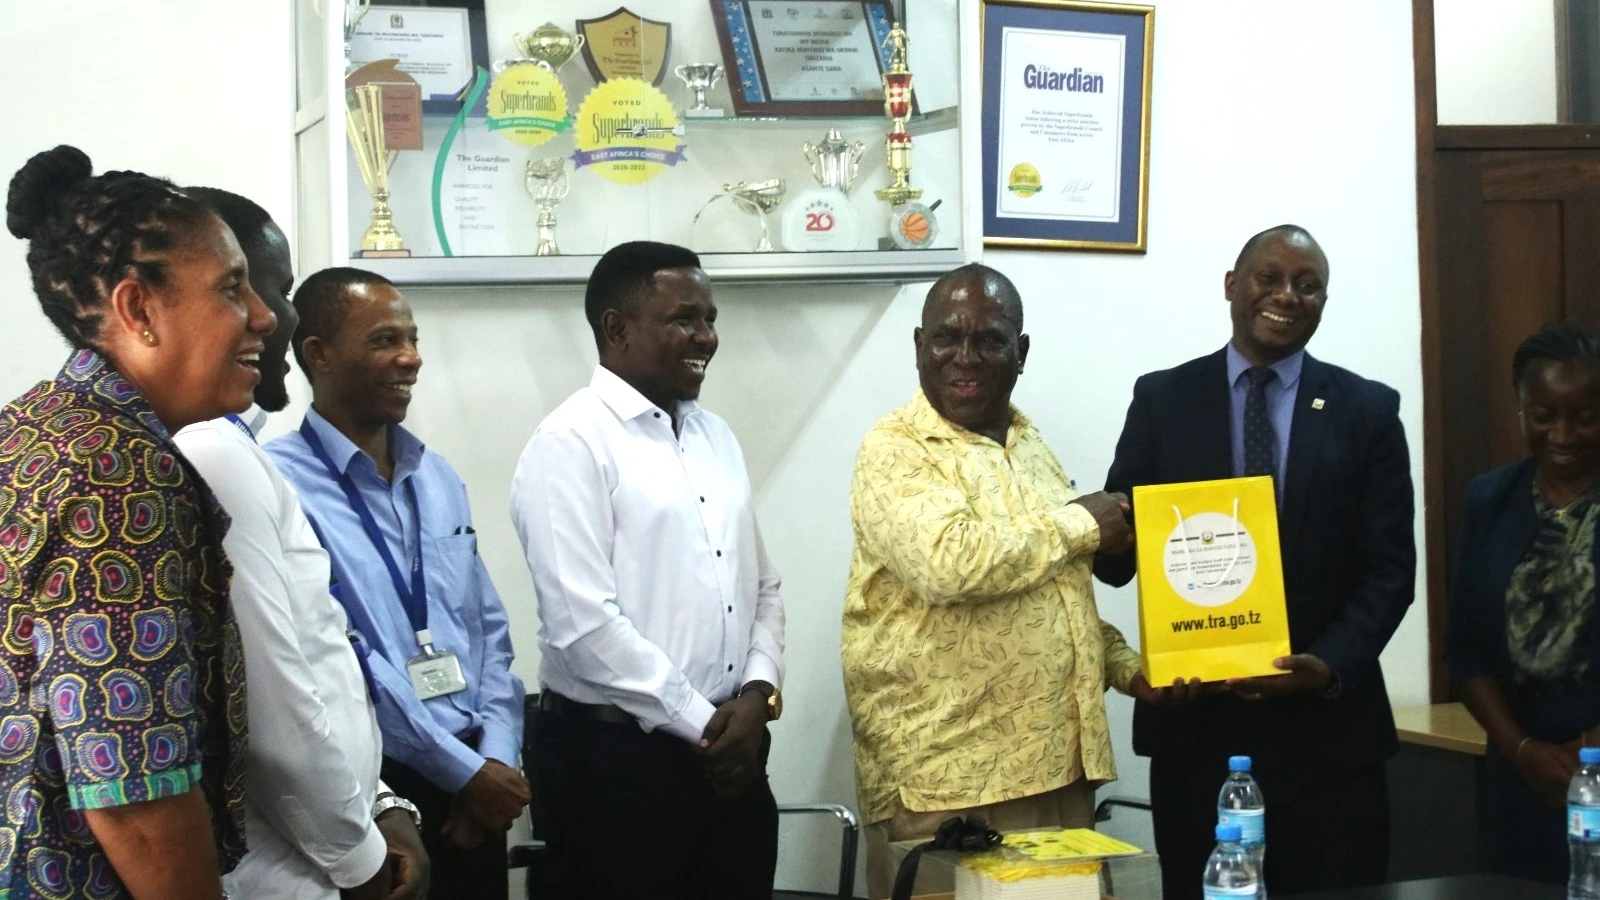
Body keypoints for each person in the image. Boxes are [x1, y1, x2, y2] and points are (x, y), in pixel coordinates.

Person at [1095, 224, 1415, 899]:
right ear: (1231, 286)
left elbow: (1389, 572)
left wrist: (1328, 665)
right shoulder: (1162, 400)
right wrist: (1098, 529)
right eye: (1269, 278)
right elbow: (1119, 562)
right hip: (1197, 732)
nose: (1287, 296)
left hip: (1330, 736)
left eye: (1308, 285)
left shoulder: (1368, 411)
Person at [0, 145, 265, 898]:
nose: (263, 315)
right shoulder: (118, 475)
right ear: (137, 309)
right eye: (232, 290)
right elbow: (134, 789)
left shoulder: (35, 429)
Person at [843, 264, 1155, 899]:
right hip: (949, 781)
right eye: (946, 338)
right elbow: (951, 563)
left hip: (1058, 770)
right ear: (918, 346)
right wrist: (1080, 523)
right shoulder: (896, 448)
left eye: (989, 339)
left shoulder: (1026, 441)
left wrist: (1126, 666)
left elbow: (1054, 593)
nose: (966, 357)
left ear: (1021, 351)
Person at [172, 189, 429, 900]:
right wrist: (362, 861)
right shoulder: (210, 451)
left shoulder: (233, 444)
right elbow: (273, 709)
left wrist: (382, 806)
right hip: (292, 870)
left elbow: (323, 661)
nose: (274, 315)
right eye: (271, 288)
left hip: (329, 843)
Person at [510, 241, 785, 900]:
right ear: (617, 328)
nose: (707, 337)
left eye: (711, 318)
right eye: (685, 319)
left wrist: (755, 695)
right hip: (618, 769)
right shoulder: (570, 443)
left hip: (734, 751)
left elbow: (763, 586)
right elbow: (584, 627)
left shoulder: (715, 435)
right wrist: (706, 726)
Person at [265, 267, 525, 900]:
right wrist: (462, 773)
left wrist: (498, 755)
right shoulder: (278, 485)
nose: (411, 357)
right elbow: (345, 654)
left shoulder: (434, 475)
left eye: (412, 337)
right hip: (379, 785)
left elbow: (486, 628)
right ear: (317, 355)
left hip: (481, 772)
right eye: (384, 340)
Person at [1446, 323, 1600, 884]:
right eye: (1544, 415)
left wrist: (1589, 754)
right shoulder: (1490, 499)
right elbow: (1465, 651)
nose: (1563, 433)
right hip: (1521, 771)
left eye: (1584, 416)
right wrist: (1524, 751)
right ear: (1520, 410)